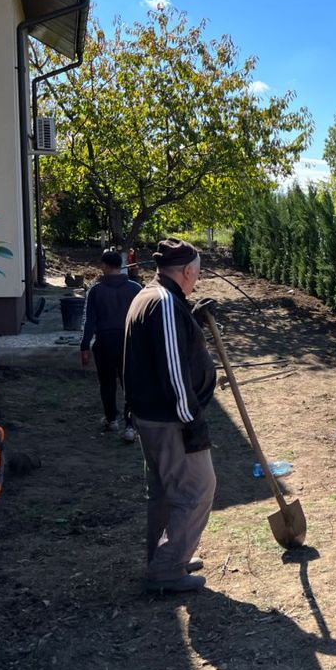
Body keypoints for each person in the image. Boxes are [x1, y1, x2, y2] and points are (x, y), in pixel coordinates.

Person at [124, 237, 218, 594]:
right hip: (170, 420)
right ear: (188, 271)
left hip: (153, 415)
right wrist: (191, 420)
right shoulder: (163, 302)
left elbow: (165, 345)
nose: (197, 279)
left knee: (165, 492)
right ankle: (167, 569)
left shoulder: (152, 296)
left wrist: (190, 318)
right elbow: (172, 368)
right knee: (198, 489)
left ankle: (165, 557)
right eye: (198, 273)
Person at [80, 250, 142, 442]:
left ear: (105, 266)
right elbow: (143, 319)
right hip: (129, 342)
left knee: (107, 382)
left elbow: (89, 321)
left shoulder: (96, 290)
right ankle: (130, 427)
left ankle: (111, 419)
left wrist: (84, 346)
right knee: (130, 384)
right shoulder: (135, 288)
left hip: (104, 342)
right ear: (120, 266)